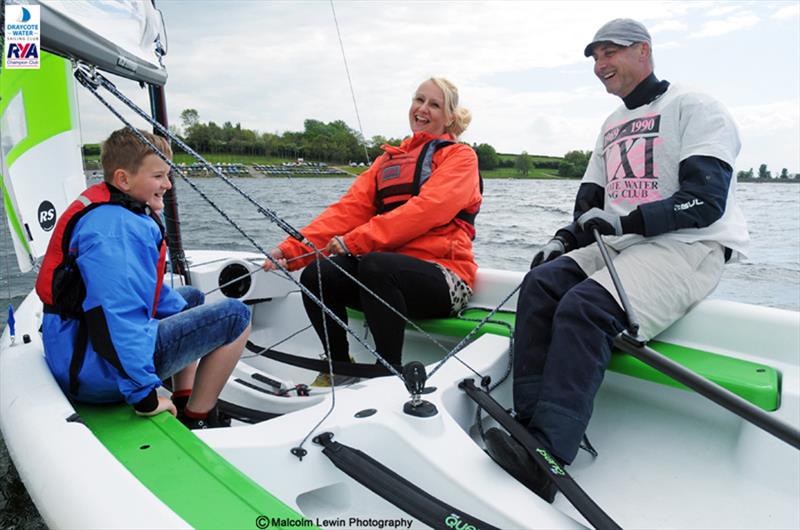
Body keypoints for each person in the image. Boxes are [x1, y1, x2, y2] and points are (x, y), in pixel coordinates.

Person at [485, 18, 749, 502]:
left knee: (584, 307)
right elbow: (589, 207)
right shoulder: (610, 126)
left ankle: (548, 459)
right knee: (541, 284)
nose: (601, 64)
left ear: (644, 52)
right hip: (627, 245)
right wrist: (563, 240)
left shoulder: (694, 107)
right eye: (595, 57)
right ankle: (529, 424)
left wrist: (625, 224)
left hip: (691, 246)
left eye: (611, 52)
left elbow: (705, 200)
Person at [263, 77, 481, 386]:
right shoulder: (387, 161)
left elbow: (426, 210)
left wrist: (356, 241)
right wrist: (292, 250)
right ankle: (338, 365)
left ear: (449, 117)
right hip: (384, 276)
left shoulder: (461, 158)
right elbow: (347, 210)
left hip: (445, 278)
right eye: (419, 100)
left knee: (375, 263)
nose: (423, 109)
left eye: (434, 104)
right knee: (317, 274)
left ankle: (387, 373)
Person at [37, 128, 251, 429]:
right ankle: (197, 418)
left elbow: (143, 296)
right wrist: (145, 398)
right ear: (124, 179)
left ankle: (183, 395)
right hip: (96, 374)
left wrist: (183, 312)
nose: (168, 184)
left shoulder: (115, 210)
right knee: (237, 316)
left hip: (77, 351)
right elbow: (114, 317)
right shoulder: (115, 229)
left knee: (189, 298)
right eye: (158, 176)